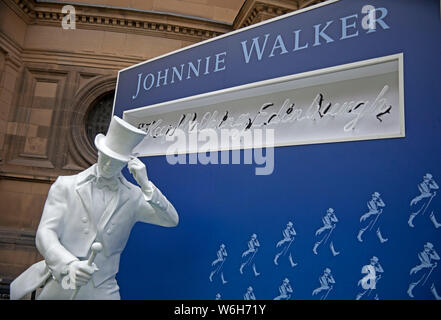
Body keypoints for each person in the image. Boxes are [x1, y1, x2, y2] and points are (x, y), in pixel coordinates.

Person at [10, 116, 179, 300]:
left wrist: (146, 185)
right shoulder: (66, 186)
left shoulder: (133, 196)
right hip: (63, 282)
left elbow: (171, 220)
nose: (107, 165)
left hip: (103, 288)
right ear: (99, 152)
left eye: (115, 162)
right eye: (105, 157)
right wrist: (69, 264)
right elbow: (45, 233)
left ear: (125, 163)